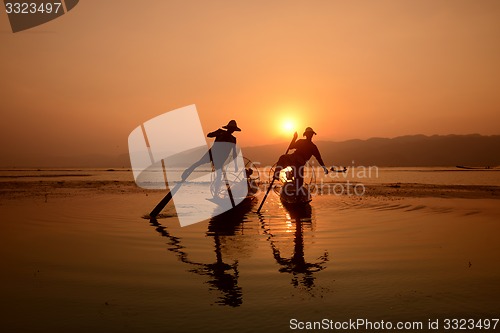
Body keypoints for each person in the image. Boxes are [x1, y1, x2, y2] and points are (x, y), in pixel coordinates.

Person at [181, 120, 241, 196]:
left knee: (219, 176)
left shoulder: (233, 139)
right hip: (212, 153)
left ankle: (216, 194)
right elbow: (209, 135)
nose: (231, 131)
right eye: (230, 129)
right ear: (228, 128)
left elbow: (234, 153)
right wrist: (217, 133)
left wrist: (236, 165)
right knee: (199, 163)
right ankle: (185, 174)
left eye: (233, 130)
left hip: (221, 158)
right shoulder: (220, 132)